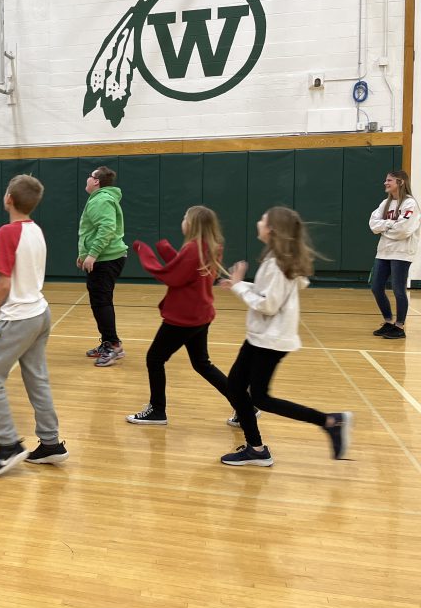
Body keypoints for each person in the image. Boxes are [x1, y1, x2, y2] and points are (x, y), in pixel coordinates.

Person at [218, 207, 353, 467]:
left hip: (271, 340)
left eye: (262, 219)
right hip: (262, 337)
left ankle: (330, 421)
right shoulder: (275, 259)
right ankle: (255, 448)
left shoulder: (278, 264)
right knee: (235, 386)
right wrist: (240, 285)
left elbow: (268, 305)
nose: (258, 222)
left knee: (260, 397)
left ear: (272, 230)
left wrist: (238, 288)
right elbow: (266, 292)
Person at [0, 175, 68, 477]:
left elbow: (7, 282)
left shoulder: (6, 232)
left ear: (9, 198)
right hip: (39, 312)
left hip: (18, 318)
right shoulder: (35, 230)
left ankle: (8, 443)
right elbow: (17, 278)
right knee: (37, 379)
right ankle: (50, 443)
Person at [125, 206, 230, 425]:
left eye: (185, 217)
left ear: (191, 224)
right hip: (201, 314)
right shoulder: (210, 247)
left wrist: (145, 252)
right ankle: (244, 403)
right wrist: (165, 250)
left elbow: (171, 276)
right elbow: (186, 270)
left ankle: (157, 411)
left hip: (184, 317)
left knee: (154, 359)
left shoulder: (193, 249)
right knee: (202, 364)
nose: (182, 220)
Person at [77, 165, 128, 367]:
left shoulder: (101, 199)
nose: (87, 179)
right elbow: (91, 231)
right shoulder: (100, 199)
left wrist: (92, 254)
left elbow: (107, 228)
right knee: (100, 300)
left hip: (106, 259)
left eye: (90, 176)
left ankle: (112, 345)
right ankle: (109, 341)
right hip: (103, 258)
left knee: (101, 301)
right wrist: (84, 255)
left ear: (96, 181)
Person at [369, 170, 419, 340]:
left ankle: (399, 326)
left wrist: (385, 228)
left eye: (389, 180)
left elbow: (404, 230)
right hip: (384, 251)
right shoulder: (385, 203)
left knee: (398, 289)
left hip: (402, 252)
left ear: (400, 182)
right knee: (376, 287)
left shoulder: (410, 204)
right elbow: (373, 225)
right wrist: (391, 225)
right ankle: (389, 322)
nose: (385, 183)